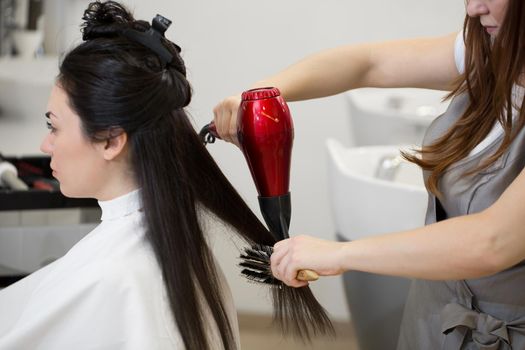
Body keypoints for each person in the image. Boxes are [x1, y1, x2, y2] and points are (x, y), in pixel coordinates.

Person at [0, 1, 332, 349]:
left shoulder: (112, 277)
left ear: (112, 140)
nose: (45, 144)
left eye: (53, 127)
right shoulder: (172, 242)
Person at [213, 0, 525, 348]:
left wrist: (340, 254)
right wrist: (264, 93)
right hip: (434, 316)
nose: (473, 9)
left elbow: (493, 241)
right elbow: (369, 64)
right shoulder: (493, 53)